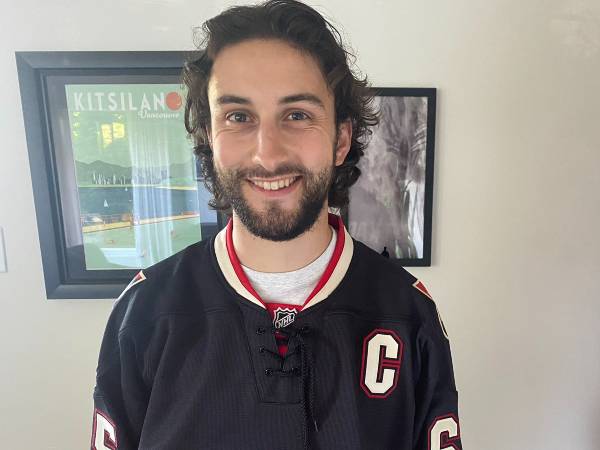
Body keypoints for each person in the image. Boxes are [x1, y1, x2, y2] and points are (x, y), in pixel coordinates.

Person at [91, 1, 462, 449]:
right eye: (239, 117)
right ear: (210, 135)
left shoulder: (408, 315)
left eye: (298, 115)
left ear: (341, 138)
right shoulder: (144, 314)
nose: (267, 154)